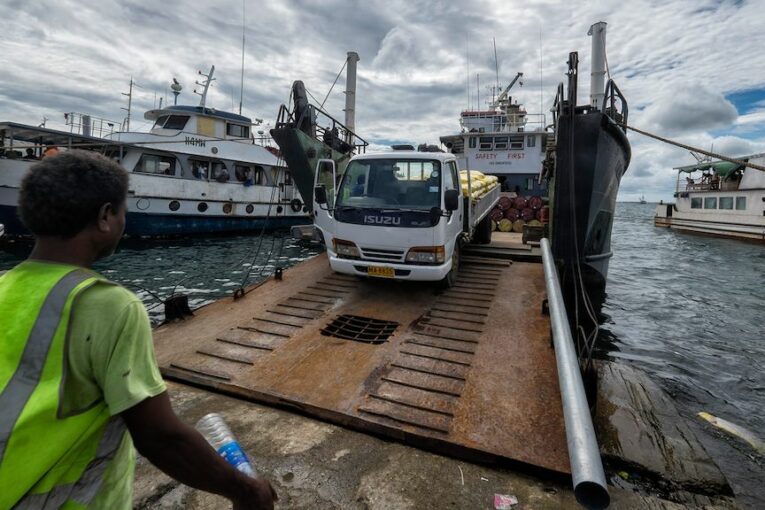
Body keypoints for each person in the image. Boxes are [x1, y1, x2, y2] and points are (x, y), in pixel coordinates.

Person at [0, 150, 277, 509]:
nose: (124, 219)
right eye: (122, 210)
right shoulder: (110, 306)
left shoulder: (4, 285)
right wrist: (245, 489)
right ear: (105, 217)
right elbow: (160, 437)